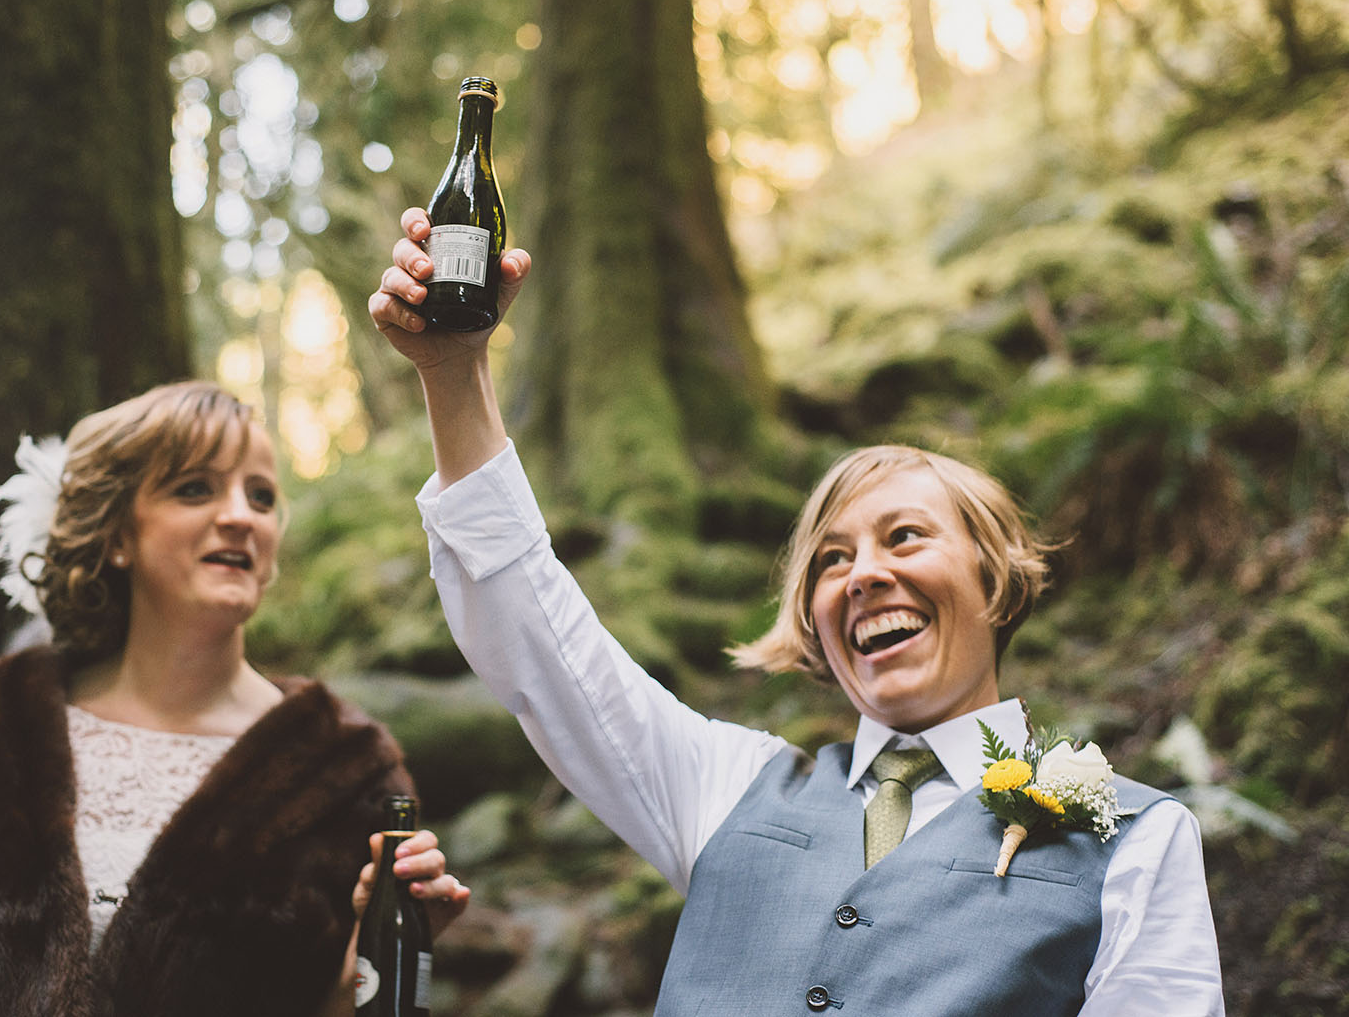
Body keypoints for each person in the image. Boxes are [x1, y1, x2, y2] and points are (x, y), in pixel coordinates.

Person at [369, 208, 1225, 1016]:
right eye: (832, 559)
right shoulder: (726, 786)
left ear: (995, 579)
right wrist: (455, 373)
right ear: (814, 620)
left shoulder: (1142, 842)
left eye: (905, 537)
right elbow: (541, 642)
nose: (863, 575)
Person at [0, 381, 469, 1017]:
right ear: (117, 535)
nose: (240, 515)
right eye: (195, 488)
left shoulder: (346, 769)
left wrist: (371, 951)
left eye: (261, 497)